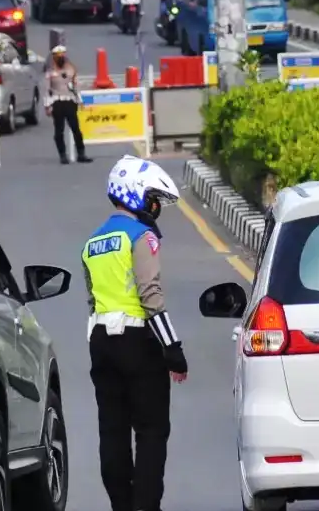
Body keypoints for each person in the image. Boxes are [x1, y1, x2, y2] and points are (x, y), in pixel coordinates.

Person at [82, 157, 188, 511]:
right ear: (137, 196)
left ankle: (122, 506)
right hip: (138, 342)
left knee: (112, 432)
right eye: (153, 199)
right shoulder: (141, 236)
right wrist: (173, 348)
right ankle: (146, 506)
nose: (156, 207)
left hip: (101, 343)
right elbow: (150, 296)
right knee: (151, 430)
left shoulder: (93, 242)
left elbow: (92, 299)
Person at [44, 46, 92, 165]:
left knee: (76, 129)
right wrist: (47, 105)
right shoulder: (50, 71)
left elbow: (76, 86)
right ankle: (62, 155)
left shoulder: (71, 69)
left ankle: (81, 154)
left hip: (70, 101)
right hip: (57, 102)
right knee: (59, 131)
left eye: (62, 55)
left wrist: (80, 101)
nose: (61, 57)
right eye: (58, 55)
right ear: (54, 57)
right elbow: (46, 89)